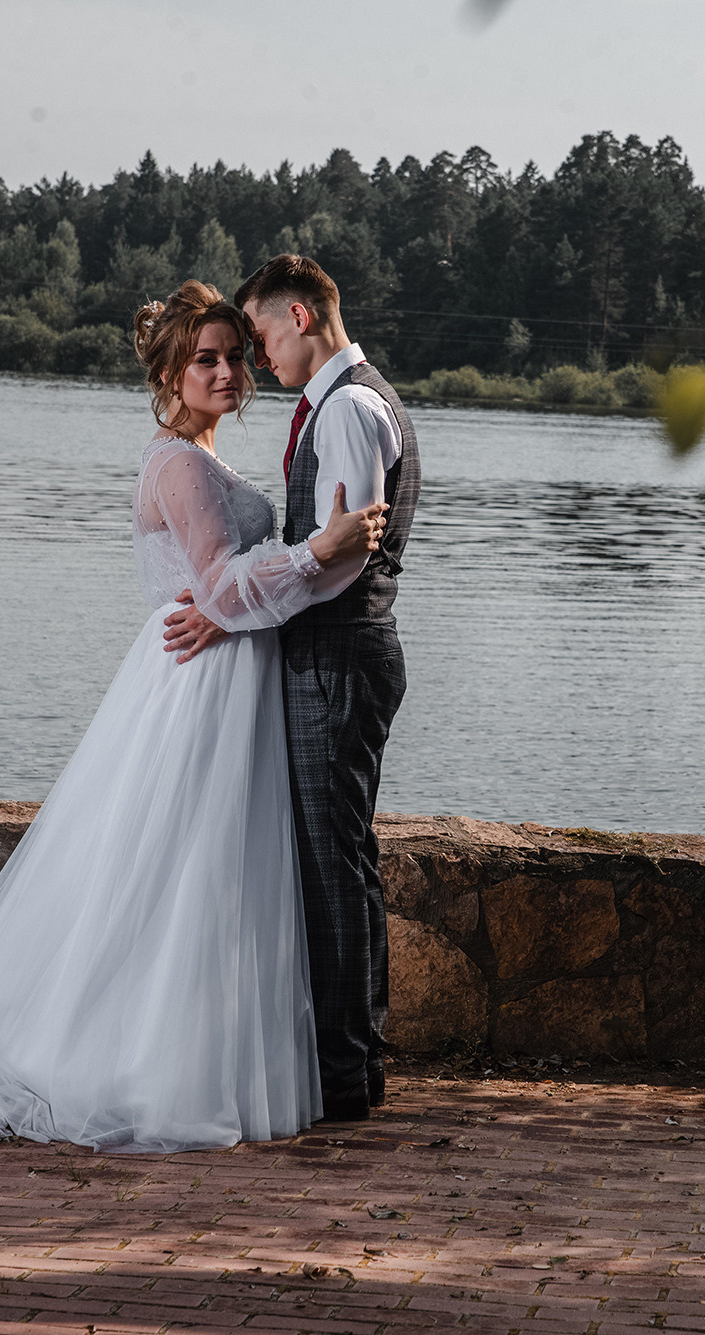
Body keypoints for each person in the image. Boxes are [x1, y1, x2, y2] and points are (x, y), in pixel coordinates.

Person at [0, 280, 388, 1153]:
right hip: (199, 685)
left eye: (236, 355)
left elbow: (229, 587)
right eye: (207, 359)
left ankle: (212, 1054)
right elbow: (223, 586)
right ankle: (142, 1064)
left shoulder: (210, 462)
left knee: (223, 878)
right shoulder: (177, 464)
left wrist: (244, 589)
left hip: (234, 673)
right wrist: (316, 547)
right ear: (170, 371)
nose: (229, 371)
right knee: (180, 873)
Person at [161, 255, 419, 1123]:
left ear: (301, 318)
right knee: (331, 859)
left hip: (338, 657)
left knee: (333, 865)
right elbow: (322, 553)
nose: (258, 361)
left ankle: (346, 1068)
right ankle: (346, 1060)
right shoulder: (349, 400)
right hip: (332, 655)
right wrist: (234, 603)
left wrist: (230, 608)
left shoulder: (346, 407)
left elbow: (338, 565)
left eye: (263, 336)